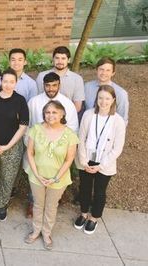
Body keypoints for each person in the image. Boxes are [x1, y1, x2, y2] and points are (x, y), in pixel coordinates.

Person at [24, 101, 78, 250]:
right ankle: (36, 230)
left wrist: (55, 178)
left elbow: (69, 159)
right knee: (38, 204)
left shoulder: (70, 135)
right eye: (47, 112)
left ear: (62, 114)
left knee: (51, 206)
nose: (50, 115)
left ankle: (46, 233)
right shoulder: (36, 129)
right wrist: (36, 174)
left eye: (54, 112)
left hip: (58, 179)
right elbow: (30, 152)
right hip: (37, 176)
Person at [74, 85, 126, 234]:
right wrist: (84, 161)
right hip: (86, 160)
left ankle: (94, 217)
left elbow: (117, 148)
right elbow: (81, 138)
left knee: (99, 192)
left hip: (105, 163)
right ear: (96, 99)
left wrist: (101, 165)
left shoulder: (118, 121)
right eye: (101, 98)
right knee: (84, 188)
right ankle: (83, 213)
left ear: (113, 100)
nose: (103, 102)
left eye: (107, 98)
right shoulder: (88, 115)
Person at [0, 68, 29, 221]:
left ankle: (3, 204)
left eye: (11, 82)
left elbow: (23, 126)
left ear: (15, 83)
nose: (8, 85)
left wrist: (8, 146)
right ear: (0, 82)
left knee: (7, 178)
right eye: (5, 81)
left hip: (12, 147)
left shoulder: (20, 101)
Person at [36, 46, 84, 112]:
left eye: (63, 58)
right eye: (57, 58)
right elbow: (38, 101)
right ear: (53, 59)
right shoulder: (42, 76)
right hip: (45, 116)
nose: (60, 61)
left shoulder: (77, 79)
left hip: (67, 118)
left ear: (69, 60)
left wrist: (63, 118)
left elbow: (77, 106)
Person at [84, 57, 129, 124]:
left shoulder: (121, 93)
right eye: (101, 69)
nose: (104, 73)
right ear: (96, 70)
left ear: (113, 73)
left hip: (110, 131)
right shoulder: (86, 87)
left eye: (108, 70)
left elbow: (123, 119)